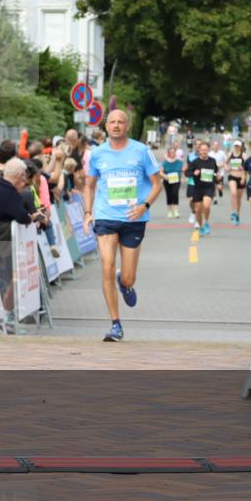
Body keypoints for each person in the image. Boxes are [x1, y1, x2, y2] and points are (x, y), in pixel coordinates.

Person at [83, 109, 161, 342]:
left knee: (128, 277)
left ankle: (124, 283)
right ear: (106, 126)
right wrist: (88, 212)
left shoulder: (141, 151)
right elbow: (89, 185)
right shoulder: (97, 154)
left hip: (133, 219)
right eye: (112, 122)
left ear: (127, 126)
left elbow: (157, 184)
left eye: (121, 122)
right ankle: (115, 324)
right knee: (106, 265)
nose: (116, 125)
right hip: (106, 216)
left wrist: (144, 206)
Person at [0, 158, 40, 312]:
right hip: (1, 240)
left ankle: (0, 316)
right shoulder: (8, 191)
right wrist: (32, 218)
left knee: (0, 279)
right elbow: (21, 216)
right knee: (4, 279)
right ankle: (3, 315)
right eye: (24, 176)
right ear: (20, 175)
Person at [185, 141, 218, 236]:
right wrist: (193, 173)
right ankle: (201, 226)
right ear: (199, 150)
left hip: (209, 187)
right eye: (202, 150)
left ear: (208, 150)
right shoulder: (195, 162)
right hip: (198, 188)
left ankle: (206, 222)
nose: (204, 151)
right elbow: (187, 173)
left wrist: (217, 179)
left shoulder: (212, 161)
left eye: (206, 150)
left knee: (207, 206)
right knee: (198, 210)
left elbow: (215, 171)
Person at [226, 141, 247, 225]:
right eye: (235, 146)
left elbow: (248, 166)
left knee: (238, 199)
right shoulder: (230, 154)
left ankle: (237, 215)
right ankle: (233, 212)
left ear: (241, 147)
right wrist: (227, 167)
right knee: (233, 193)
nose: (236, 147)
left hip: (241, 177)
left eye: (238, 146)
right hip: (232, 176)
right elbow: (225, 163)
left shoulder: (244, 155)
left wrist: (243, 174)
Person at [160, 148, 183, 218]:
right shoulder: (165, 162)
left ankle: (176, 211)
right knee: (169, 194)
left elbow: (181, 170)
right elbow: (160, 172)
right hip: (167, 180)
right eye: (171, 152)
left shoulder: (179, 161)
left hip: (176, 180)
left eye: (173, 152)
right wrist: (164, 175)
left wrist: (182, 177)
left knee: (175, 193)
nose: (172, 153)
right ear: (168, 153)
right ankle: (169, 211)